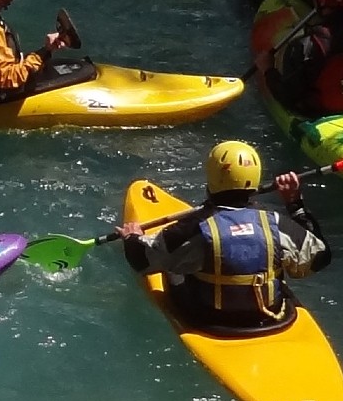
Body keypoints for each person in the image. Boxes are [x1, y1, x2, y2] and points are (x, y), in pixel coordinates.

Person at [116, 140, 331, 332]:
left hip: (213, 320)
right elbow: (319, 257)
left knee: (175, 268)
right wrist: (295, 203)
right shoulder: (275, 223)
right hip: (271, 318)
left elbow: (142, 261)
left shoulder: (194, 228)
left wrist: (132, 238)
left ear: (212, 177)